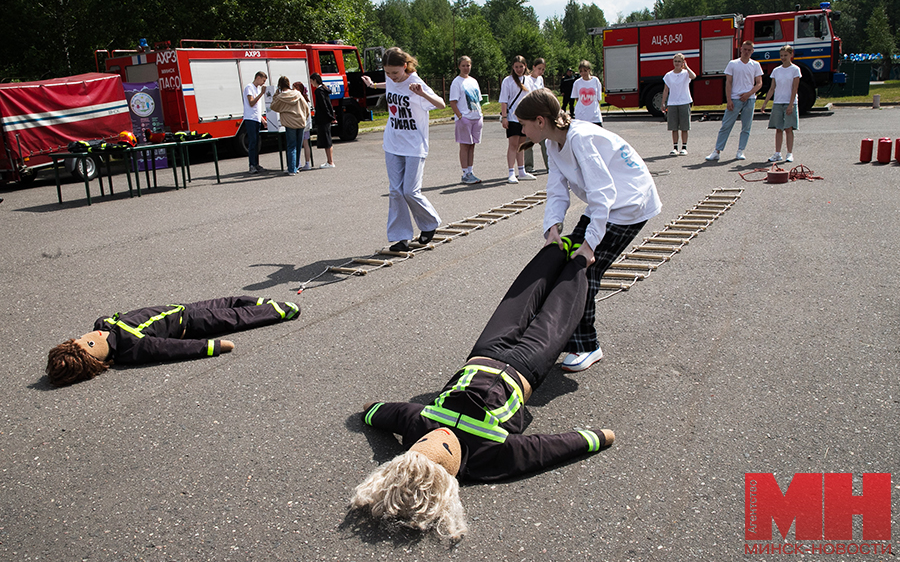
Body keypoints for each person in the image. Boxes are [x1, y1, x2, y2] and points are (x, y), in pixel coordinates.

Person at [351, 244, 614, 539]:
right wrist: (594, 438)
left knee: (517, 301)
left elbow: (391, 413)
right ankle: (579, 261)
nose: (439, 439)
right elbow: (544, 449)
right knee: (558, 314)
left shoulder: (417, 427)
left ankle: (554, 249)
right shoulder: (487, 458)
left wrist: (369, 413)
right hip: (526, 368)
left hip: (485, 352)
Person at [516, 88, 662, 372]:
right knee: (565, 259)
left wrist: (590, 245)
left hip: (629, 203)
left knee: (584, 270)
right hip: (608, 202)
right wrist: (552, 229)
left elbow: (603, 193)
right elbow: (557, 191)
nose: (521, 130)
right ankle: (569, 336)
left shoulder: (580, 139)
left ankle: (587, 346)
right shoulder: (552, 143)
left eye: (523, 124)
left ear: (540, 121)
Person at [46, 297, 301, 386]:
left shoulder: (104, 327)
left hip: (180, 308)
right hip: (188, 324)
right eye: (88, 344)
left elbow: (102, 321)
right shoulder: (131, 346)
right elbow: (170, 349)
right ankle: (281, 311)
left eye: (80, 339)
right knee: (234, 317)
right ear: (97, 360)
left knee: (228, 301)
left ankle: (260, 302)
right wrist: (211, 346)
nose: (90, 337)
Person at [361, 48, 444, 253]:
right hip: (392, 143)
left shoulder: (416, 83)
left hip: (414, 145)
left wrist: (422, 93)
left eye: (395, 73)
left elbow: (441, 104)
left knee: (410, 191)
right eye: (387, 73)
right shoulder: (391, 79)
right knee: (395, 191)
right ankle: (401, 238)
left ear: (405, 66)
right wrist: (373, 84)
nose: (391, 77)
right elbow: (388, 84)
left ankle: (430, 223)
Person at [705, 41, 763, 161]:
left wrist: (748, 94)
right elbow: (729, 83)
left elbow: (759, 83)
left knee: (746, 126)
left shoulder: (755, 65)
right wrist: (729, 100)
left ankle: (741, 150)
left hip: (750, 99)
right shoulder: (733, 64)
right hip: (735, 99)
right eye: (745, 49)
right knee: (726, 125)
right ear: (741, 49)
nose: (746, 52)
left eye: (749, 50)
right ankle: (717, 151)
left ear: (752, 51)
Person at [498, 56, 537, 184]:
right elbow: (504, 100)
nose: (519, 69)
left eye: (521, 66)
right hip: (512, 118)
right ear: (512, 67)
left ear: (525, 66)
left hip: (525, 118)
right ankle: (511, 172)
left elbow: (532, 98)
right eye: (516, 67)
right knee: (513, 145)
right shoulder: (507, 81)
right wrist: (504, 117)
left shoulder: (529, 80)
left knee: (521, 145)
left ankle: (522, 171)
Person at [760, 45, 801, 164]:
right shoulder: (776, 70)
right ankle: (777, 153)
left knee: (788, 128)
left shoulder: (795, 70)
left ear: (791, 55)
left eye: (786, 55)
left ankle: (789, 153)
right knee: (778, 129)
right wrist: (765, 103)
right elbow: (772, 88)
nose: (783, 58)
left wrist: (790, 104)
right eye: (781, 56)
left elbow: (794, 88)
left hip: (789, 102)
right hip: (778, 102)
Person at [448, 55, 483, 185]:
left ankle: (470, 170)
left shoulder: (473, 81)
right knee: (464, 145)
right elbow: (453, 102)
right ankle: (465, 173)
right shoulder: (457, 82)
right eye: (463, 65)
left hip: (476, 117)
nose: (466, 68)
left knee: (472, 146)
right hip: (464, 118)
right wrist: (460, 116)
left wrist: (480, 115)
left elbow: (478, 100)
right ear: (459, 67)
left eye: (468, 65)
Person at [269, 76, 310, 175]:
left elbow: (273, 106)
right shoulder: (298, 94)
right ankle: (296, 167)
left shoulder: (280, 97)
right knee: (298, 145)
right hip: (300, 122)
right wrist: (304, 117)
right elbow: (306, 108)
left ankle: (291, 169)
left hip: (289, 123)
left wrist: (275, 94)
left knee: (291, 146)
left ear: (280, 86)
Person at [661, 53, 696, 156]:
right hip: (672, 103)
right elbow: (666, 90)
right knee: (674, 126)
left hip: (684, 102)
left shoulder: (686, 74)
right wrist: (663, 102)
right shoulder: (668, 75)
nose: (677, 63)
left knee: (684, 126)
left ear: (683, 63)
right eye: (675, 61)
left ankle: (684, 147)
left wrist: (687, 67)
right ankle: (675, 147)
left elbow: (693, 76)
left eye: (679, 61)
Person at [524, 58, 549, 173]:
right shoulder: (526, 79)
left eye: (543, 69)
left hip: (540, 114)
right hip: (529, 114)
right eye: (539, 68)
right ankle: (528, 166)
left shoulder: (540, 79)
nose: (541, 71)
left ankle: (549, 166)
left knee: (545, 141)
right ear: (533, 67)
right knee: (528, 141)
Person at [242, 71, 268, 173]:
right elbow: (251, 103)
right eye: (263, 80)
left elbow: (256, 108)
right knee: (253, 142)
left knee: (256, 142)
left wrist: (262, 120)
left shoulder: (256, 88)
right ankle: (252, 165)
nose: (263, 83)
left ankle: (256, 164)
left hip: (256, 119)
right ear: (258, 77)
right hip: (250, 119)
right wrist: (261, 93)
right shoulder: (249, 87)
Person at [310, 73, 336, 168]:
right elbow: (328, 104)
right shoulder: (324, 90)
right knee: (328, 139)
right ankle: (329, 161)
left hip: (323, 119)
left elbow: (323, 105)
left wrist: (329, 116)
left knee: (326, 140)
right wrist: (331, 117)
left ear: (315, 80)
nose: (311, 83)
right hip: (327, 118)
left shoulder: (319, 91)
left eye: (311, 81)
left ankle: (330, 162)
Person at [572, 60, 603, 126]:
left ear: (589, 70)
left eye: (585, 70)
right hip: (581, 115)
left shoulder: (595, 81)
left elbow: (598, 98)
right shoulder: (577, 83)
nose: (583, 73)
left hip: (594, 115)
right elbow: (577, 98)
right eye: (581, 71)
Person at [294, 81, 314, 170]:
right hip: (306, 124)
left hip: (300, 124)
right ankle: (307, 163)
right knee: (306, 144)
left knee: (298, 144)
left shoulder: (299, 99)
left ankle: (298, 163)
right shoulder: (306, 99)